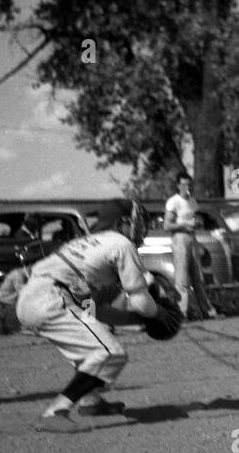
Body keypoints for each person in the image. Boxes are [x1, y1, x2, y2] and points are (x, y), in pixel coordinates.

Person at [15, 199, 158, 432]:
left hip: (33, 298)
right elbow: (142, 303)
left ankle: (91, 402)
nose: (141, 228)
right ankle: (54, 412)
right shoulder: (122, 243)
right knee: (110, 353)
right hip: (51, 297)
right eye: (135, 222)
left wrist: (134, 320)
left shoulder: (86, 244)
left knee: (92, 345)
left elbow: (93, 309)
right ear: (122, 223)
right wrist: (157, 314)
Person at [162, 173, 216, 320]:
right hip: (180, 238)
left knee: (197, 277)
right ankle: (181, 312)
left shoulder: (192, 201)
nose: (187, 187)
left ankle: (207, 310)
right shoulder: (173, 201)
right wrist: (185, 226)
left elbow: (194, 218)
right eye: (184, 184)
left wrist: (196, 223)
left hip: (192, 238)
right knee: (182, 278)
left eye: (189, 184)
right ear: (178, 185)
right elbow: (167, 225)